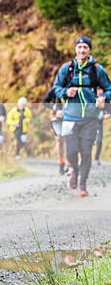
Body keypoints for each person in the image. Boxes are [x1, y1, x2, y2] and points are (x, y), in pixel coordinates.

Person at [52, 36, 111, 197]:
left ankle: (82, 184)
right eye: (79, 47)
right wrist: (66, 92)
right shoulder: (67, 68)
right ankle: (74, 172)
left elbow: (109, 88)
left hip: (90, 118)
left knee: (86, 152)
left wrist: (103, 98)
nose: (82, 50)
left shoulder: (97, 69)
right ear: (75, 49)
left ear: (89, 50)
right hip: (70, 117)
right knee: (71, 152)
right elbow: (56, 87)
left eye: (85, 47)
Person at [43, 85, 68, 174]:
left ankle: (70, 163)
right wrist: (52, 106)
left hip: (69, 117)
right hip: (56, 118)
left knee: (68, 139)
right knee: (59, 140)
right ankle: (61, 163)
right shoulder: (54, 89)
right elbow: (45, 102)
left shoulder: (72, 87)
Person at [94, 89, 110, 165]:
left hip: (99, 124)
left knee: (99, 141)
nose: (100, 95)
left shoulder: (105, 101)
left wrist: (107, 115)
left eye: (101, 93)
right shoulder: (91, 99)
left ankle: (96, 158)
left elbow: (110, 111)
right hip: (90, 123)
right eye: (99, 93)